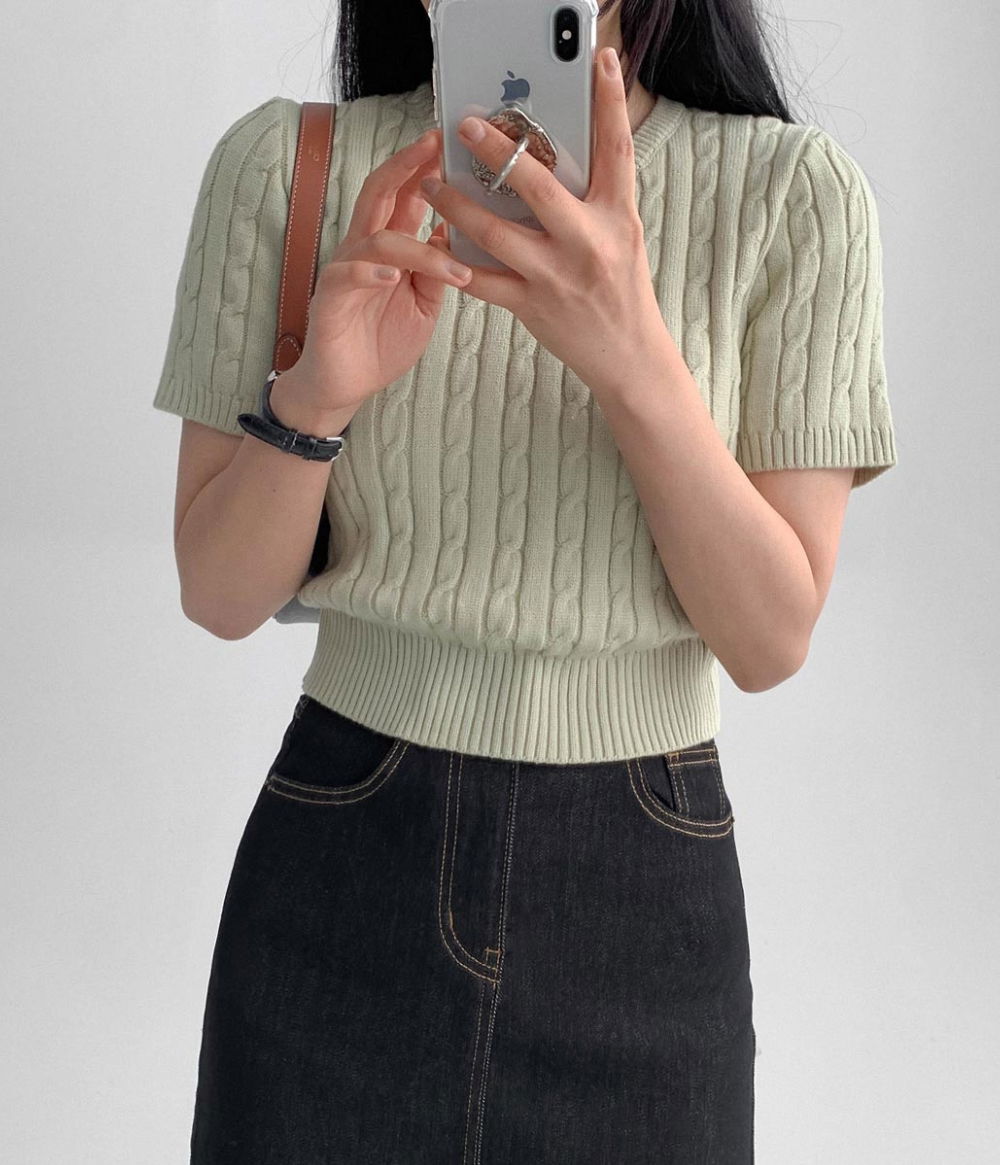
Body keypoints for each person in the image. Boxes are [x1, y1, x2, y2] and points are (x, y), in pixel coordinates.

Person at [153, 1, 898, 1160]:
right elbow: (219, 591)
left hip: (640, 882)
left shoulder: (794, 194)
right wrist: (317, 398)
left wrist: (630, 353)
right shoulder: (288, 164)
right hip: (341, 849)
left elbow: (768, 639)